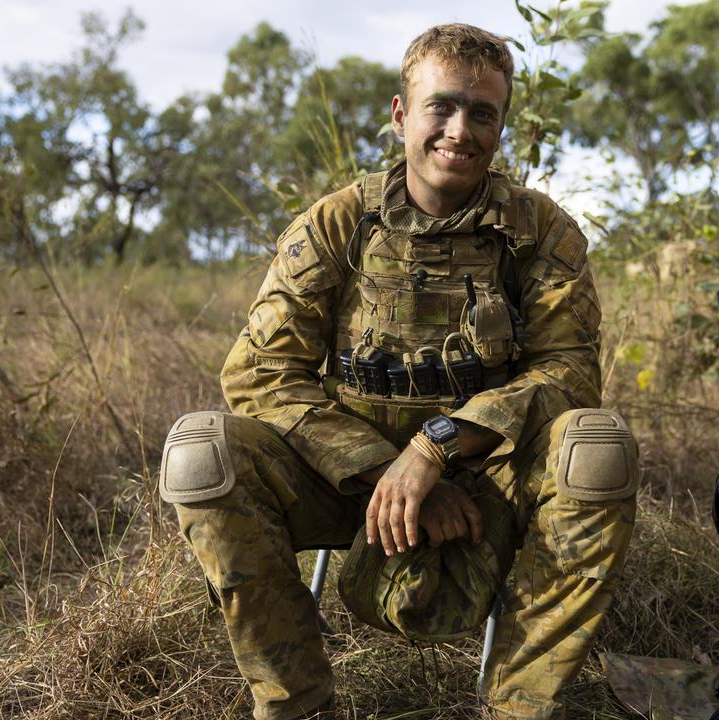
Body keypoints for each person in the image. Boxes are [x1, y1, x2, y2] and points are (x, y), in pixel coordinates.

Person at [157, 23, 640, 720]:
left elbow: (567, 372)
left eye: (482, 113)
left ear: (501, 124)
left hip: (488, 478)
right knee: (203, 451)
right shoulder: (336, 225)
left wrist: (437, 448)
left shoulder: (540, 232)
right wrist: (387, 469)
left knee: (596, 448)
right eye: (440, 106)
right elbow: (262, 373)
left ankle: (518, 708)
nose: (459, 130)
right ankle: (297, 705)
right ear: (399, 115)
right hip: (345, 479)